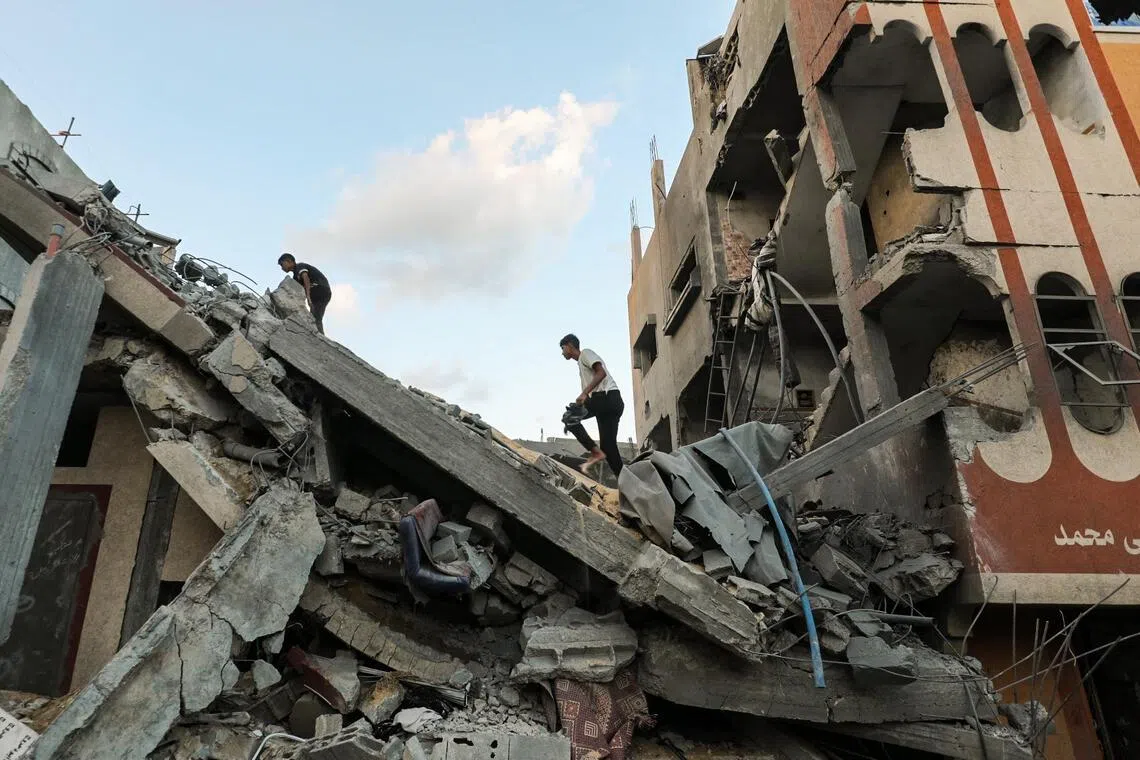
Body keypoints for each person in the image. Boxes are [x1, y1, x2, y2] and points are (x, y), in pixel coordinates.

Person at [560, 334, 625, 477]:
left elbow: (601, 373)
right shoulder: (581, 363)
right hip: (611, 404)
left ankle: (595, 453)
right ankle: (626, 484)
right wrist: (585, 397)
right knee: (608, 448)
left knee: (569, 417)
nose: (562, 352)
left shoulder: (585, 354)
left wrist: (584, 394)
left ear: (570, 346)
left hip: (606, 398)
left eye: (563, 348)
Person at [278, 254, 332, 334]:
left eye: (282, 264)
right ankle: (318, 335)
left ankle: (320, 338)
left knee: (315, 318)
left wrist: (308, 297)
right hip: (318, 293)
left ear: (289, 261)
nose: (282, 268)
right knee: (314, 316)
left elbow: (306, 278)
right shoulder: (295, 277)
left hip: (321, 289)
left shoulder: (300, 266)